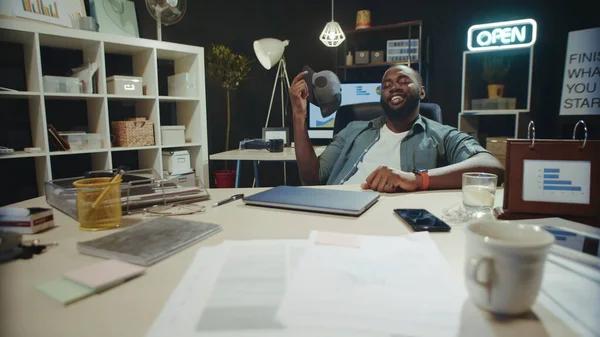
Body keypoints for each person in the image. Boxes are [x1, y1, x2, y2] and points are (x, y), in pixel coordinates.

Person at [290, 64, 504, 193]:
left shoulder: (441, 134)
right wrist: (299, 116)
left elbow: (491, 166)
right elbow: (312, 178)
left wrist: (416, 179)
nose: (394, 86)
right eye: (387, 84)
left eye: (403, 81)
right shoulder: (353, 129)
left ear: (421, 92)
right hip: (336, 210)